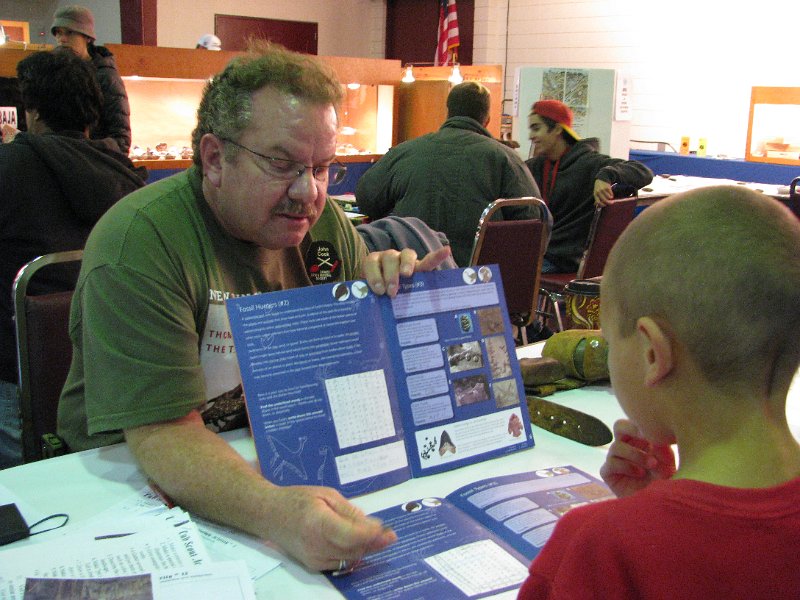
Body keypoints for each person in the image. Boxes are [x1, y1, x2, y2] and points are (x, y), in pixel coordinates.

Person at [58, 41, 450, 570]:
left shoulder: (325, 228)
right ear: (215, 159)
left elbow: (345, 368)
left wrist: (400, 309)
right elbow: (162, 433)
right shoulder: (140, 244)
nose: (308, 193)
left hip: (270, 456)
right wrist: (280, 514)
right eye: (282, 164)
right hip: (123, 486)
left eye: (323, 167)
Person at [518, 186, 800, 599]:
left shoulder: (601, 547)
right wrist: (658, 502)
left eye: (611, 343)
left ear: (653, 353)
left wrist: (644, 518)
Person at [0, 50, 146, 469]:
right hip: (114, 381)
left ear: (31, 111)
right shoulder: (127, 177)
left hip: (18, 377)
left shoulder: (8, 169)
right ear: (93, 111)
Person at [355, 81, 549, 267]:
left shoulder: (405, 151)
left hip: (413, 274)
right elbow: (534, 224)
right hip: (479, 281)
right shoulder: (507, 159)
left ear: (448, 112)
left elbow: (367, 198)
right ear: (487, 119)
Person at [525, 99, 653, 273]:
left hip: (563, 259)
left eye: (536, 128)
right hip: (541, 251)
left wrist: (606, 175)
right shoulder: (536, 166)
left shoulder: (589, 163)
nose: (530, 136)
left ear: (556, 129)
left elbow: (643, 171)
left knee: (499, 270)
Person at [51, 5, 132, 154]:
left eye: (70, 33)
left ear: (87, 37)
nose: (62, 39)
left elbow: (121, 139)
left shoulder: (105, 76)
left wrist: (85, 151)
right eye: (58, 33)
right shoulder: (55, 73)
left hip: (94, 165)